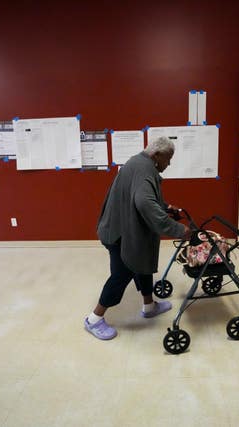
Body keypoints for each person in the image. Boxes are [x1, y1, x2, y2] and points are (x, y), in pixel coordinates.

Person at [84, 136, 191, 340]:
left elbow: (143, 196)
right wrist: (178, 230)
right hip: (119, 233)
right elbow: (144, 203)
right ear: (157, 155)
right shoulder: (145, 169)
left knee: (140, 263)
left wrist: (166, 207)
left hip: (119, 227)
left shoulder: (138, 162)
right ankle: (94, 319)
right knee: (121, 274)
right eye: (168, 159)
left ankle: (149, 306)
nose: (169, 164)